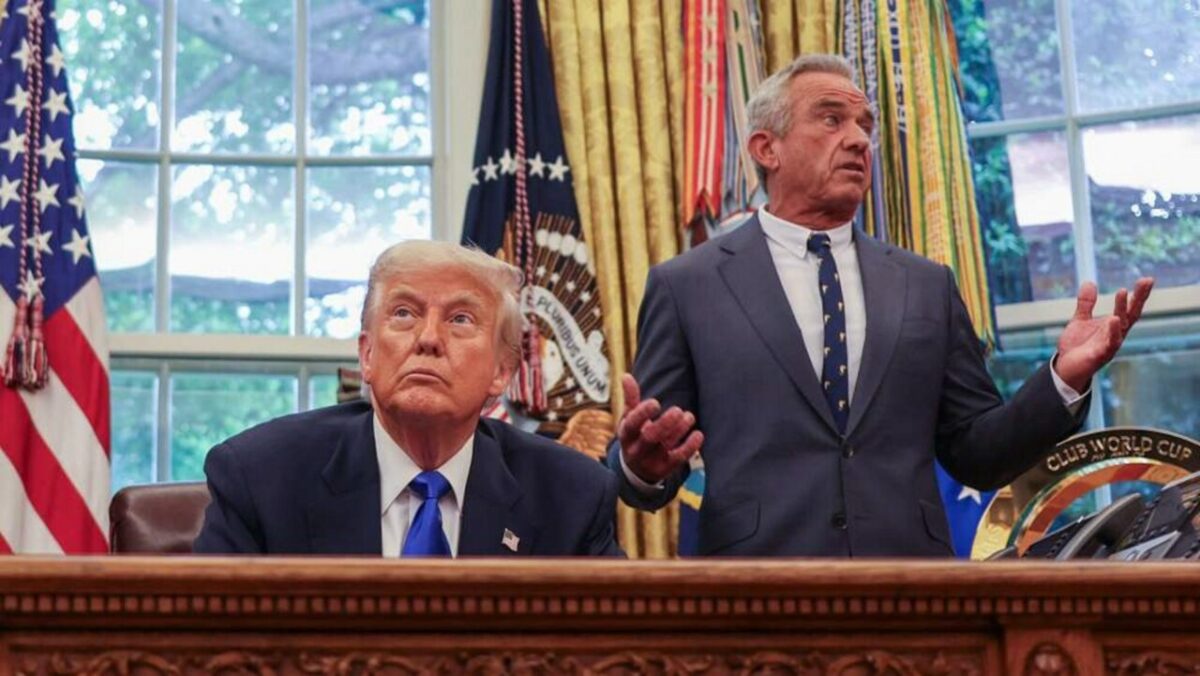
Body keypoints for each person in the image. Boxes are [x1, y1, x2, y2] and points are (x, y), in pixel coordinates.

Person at [606, 54, 1153, 557]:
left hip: (911, 590)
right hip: (759, 593)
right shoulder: (688, 286)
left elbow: (979, 455)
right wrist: (641, 468)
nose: (857, 140)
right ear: (766, 149)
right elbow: (653, 462)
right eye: (831, 120)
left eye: (864, 126)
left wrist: (1063, 378)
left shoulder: (926, 285)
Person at [195, 241, 621, 556]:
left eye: (460, 319)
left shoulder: (571, 496)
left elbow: (613, 644)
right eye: (403, 313)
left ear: (501, 372)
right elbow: (207, 642)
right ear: (367, 355)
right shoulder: (261, 478)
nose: (429, 338)